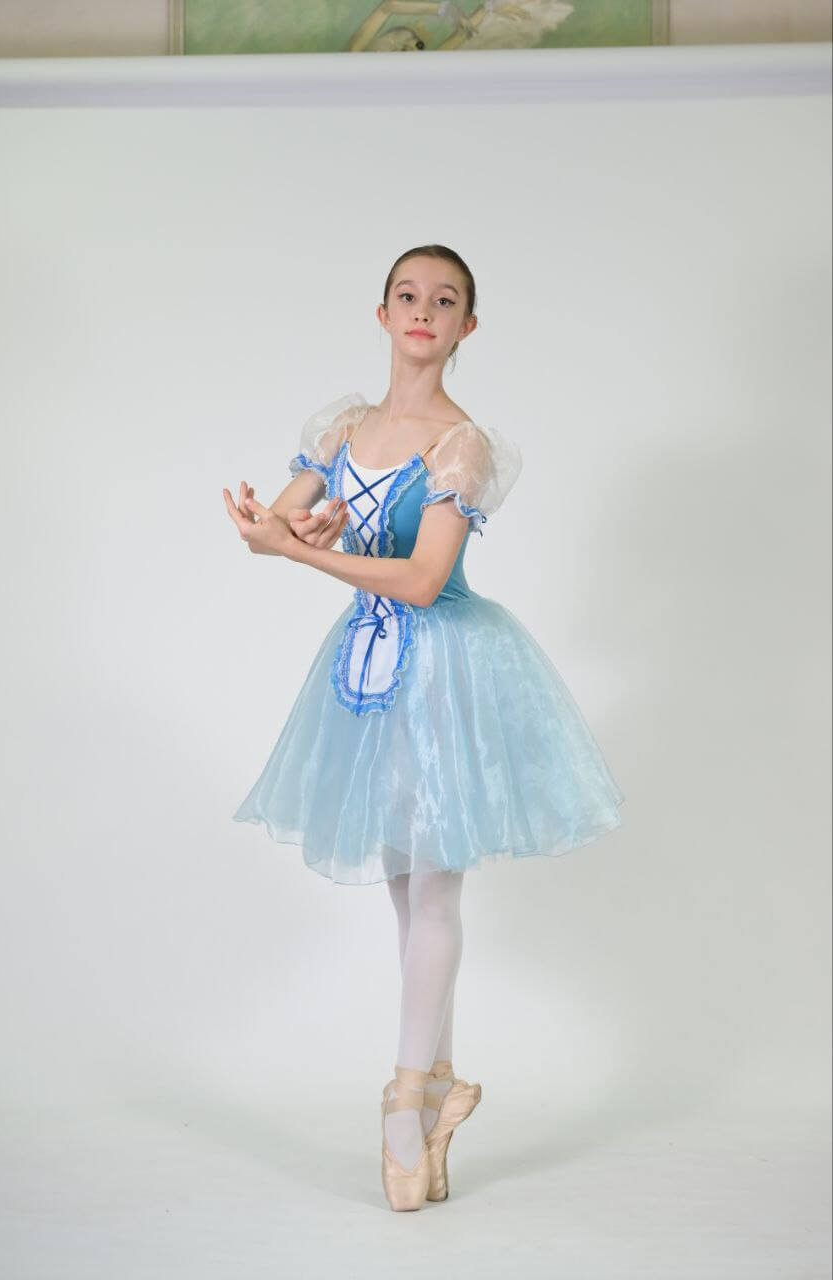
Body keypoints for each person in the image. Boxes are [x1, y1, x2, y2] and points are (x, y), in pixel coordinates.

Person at [222, 244, 625, 1211]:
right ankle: (438, 1086)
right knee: (407, 890)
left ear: (465, 327)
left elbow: (422, 579)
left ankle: (404, 1107)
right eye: (408, 295)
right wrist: (279, 530)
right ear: (382, 311)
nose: (423, 311)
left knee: (435, 885)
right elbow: (278, 527)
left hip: (447, 669)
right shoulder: (344, 427)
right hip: (367, 671)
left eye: (445, 301)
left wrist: (304, 553)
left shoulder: (460, 446)